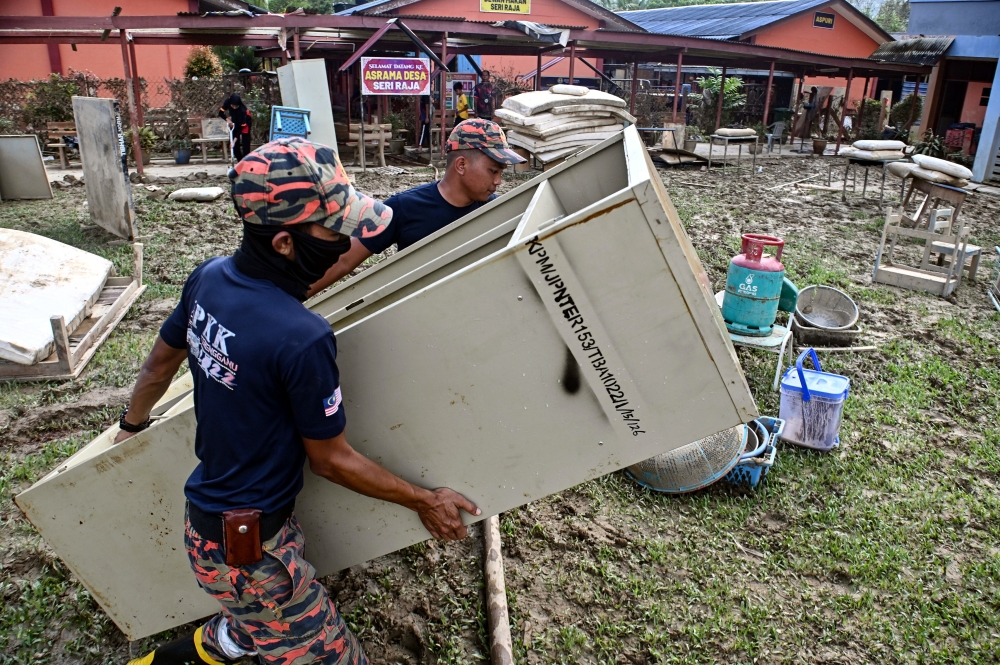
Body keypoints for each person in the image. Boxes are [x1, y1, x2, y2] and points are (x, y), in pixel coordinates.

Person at [121, 138, 480, 665]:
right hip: (250, 552)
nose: (344, 240)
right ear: (286, 243)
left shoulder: (209, 278)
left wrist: (130, 427)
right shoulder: (301, 337)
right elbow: (331, 459)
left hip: (214, 525)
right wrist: (424, 500)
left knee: (255, 624)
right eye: (334, 229)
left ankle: (234, 634)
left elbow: (157, 365)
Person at [307, 118, 525, 297]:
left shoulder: (494, 211)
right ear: (461, 165)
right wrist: (292, 297)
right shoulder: (405, 208)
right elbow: (344, 260)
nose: (498, 182)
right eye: (493, 171)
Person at [219, 92, 252, 161]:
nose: (234, 108)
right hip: (234, 122)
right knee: (234, 147)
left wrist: (234, 140)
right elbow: (220, 113)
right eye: (232, 106)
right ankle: (240, 161)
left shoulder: (243, 111)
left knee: (245, 145)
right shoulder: (228, 101)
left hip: (245, 124)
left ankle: (246, 162)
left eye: (236, 106)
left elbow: (240, 128)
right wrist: (228, 120)